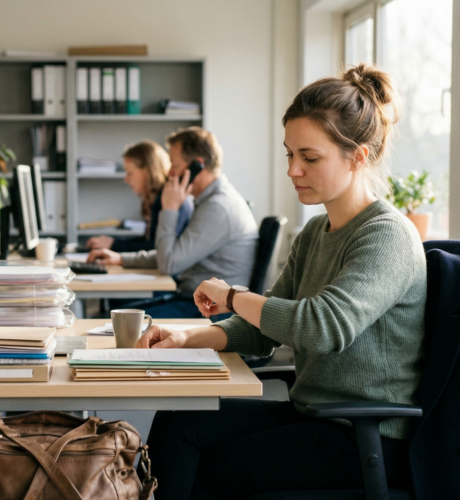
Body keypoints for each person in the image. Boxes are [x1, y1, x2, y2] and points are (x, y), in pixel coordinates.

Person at [137, 64, 426, 498]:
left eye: (309, 158)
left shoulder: (387, 235)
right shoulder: (315, 232)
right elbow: (266, 325)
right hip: (314, 414)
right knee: (178, 424)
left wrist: (232, 296)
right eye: (290, 154)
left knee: (213, 468)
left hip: (365, 434)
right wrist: (189, 339)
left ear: (358, 156)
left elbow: (320, 327)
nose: (293, 170)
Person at [88, 127, 258, 319]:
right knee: (109, 318)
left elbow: (169, 264)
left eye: (174, 165)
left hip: (212, 312)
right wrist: (121, 259)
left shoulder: (218, 208)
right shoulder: (210, 202)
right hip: (194, 301)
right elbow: (173, 255)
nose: (169, 173)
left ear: (197, 166)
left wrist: (169, 208)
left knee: (110, 323)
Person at [85, 140, 193, 253]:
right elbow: (150, 241)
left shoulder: (168, 199)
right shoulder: (155, 198)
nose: (126, 180)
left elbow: (156, 248)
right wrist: (112, 242)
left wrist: (114, 244)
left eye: (130, 173)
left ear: (148, 171)